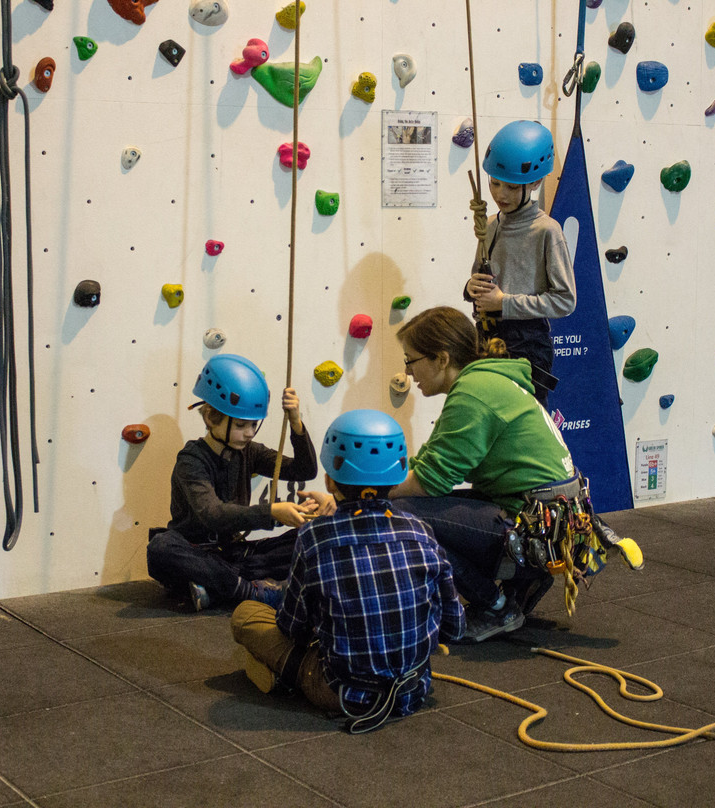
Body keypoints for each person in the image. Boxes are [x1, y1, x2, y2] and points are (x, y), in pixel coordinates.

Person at [389, 306, 642, 643]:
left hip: (533, 524)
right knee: (426, 506)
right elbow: (434, 466)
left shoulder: (472, 393)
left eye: (411, 360)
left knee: (399, 515)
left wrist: (365, 495)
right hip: (552, 519)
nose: (408, 371)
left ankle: (497, 606)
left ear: (441, 359)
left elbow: (429, 482)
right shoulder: (489, 380)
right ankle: (521, 584)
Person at [230, 409, 464, 733]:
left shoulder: (315, 537)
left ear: (329, 479)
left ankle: (285, 675)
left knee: (246, 615)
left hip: (342, 695)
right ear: (396, 476)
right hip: (413, 690)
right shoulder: (421, 530)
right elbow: (454, 628)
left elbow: (291, 627)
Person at [147, 353, 329, 611]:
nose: (250, 432)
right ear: (211, 418)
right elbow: (213, 514)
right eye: (242, 424)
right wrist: (272, 512)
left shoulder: (250, 451)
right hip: (197, 553)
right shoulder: (191, 460)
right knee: (161, 547)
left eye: (254, 424)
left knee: (311, 535)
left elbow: (304, 470)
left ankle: (216, 588)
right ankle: (251, 590)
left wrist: (296, 422)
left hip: (235, 554)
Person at [464, 119, 576, 408]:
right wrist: (471, 287)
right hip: (486, 337)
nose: (500, 194)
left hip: (526, 345)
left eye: (512, 187)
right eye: (495, 183)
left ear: (536, 182)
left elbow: (565, 300)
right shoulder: (489, 226)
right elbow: (483, 285)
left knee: (523, 428)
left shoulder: (546, 231)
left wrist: (505, 303)